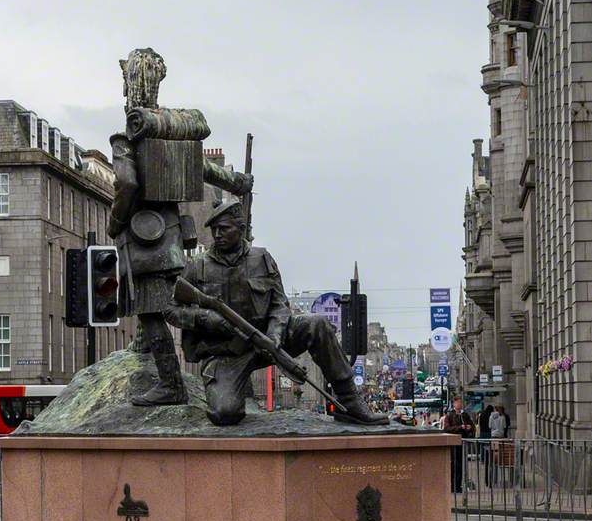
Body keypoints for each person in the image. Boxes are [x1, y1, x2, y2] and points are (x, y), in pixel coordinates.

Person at [110, 49, 253, 408]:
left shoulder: (129, 136)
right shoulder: (172, 132)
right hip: (173, 234)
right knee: (158, 302)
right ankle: (145, 346)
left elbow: (126, 184)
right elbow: (205, 169)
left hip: (144, 238)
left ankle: (170, 383)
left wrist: (115, 221)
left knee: (152, 309)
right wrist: (238, 181)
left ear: (128, 83)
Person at [164, 199, 387, 426]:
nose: (217, 234)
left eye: (224, 228)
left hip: (267, 341)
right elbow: (170, 309)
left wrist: (275, 336)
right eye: (214, 230)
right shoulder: (198, 266)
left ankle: (350, 401)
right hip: (226, 353)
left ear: (241, 230)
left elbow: (280, 304)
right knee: (224, 413)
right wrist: (204, 318)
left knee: (317, 324)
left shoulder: (261, 258)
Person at [442, 397, 474, 493]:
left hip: (462, 443)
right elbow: (447, 428)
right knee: (454, 464)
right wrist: (460, 427)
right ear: (454, 404)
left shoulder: (465, 415)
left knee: (460, 465)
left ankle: (458, 485)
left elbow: (472, 426)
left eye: (461, 403)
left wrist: (469, 427)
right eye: (458, 402)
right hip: (454, 444)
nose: (460, 404)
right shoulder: (450, 415)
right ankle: (453, 485)